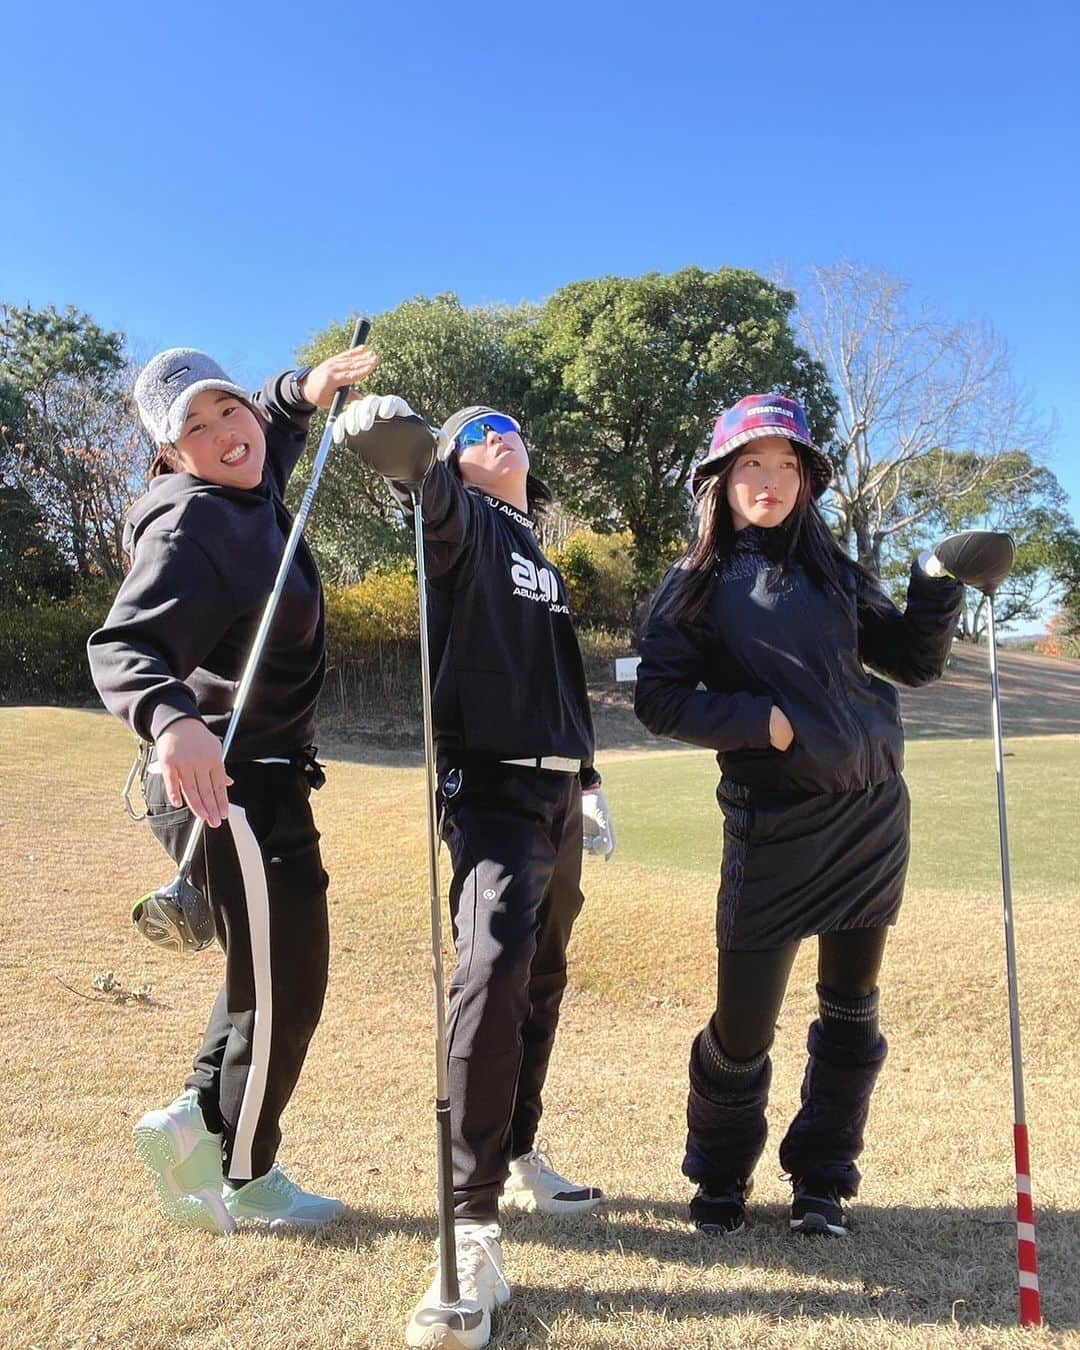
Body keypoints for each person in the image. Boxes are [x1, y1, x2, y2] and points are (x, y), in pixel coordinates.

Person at [633, 393, 964, 1238]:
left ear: (808, 480)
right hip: (774, 823)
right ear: (720, 477)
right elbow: (660, 697)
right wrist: (759, 721)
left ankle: (822, 1179)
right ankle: (718, 1179)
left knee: (851, 1007)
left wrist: (935, 583)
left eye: (787, 465)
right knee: (742, 1029)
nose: (769, 479)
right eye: (752, 463)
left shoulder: (838, 572)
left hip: (871, 818)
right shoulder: (696, 583)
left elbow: (913, 663)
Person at [332, 395, 615, 1349]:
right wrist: (406, 440)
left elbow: (562, 678)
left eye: (501, 429)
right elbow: (433, 506)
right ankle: (473, 1216)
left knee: (542, 976)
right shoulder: (460, 521)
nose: (490, 440)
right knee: (491, 971)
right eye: (468, 438)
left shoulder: (541, 548)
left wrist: (590, 777)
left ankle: (523, 1146)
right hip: (488, 788)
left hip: (557, 793)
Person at [87, 340, 378, 1232]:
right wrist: (172, 720)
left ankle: (191, 1121)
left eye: (229, 410)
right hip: (225, 788)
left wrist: (303, 389)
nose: (225, 432)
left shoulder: (247, 490)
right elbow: (123, 647)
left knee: (269, 970)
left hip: (268, 784)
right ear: (171, 456)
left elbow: (273, 434)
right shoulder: (194, 524)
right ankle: (247, 1176)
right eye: (196, 429)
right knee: (289, 975)